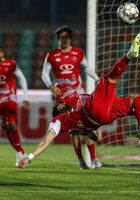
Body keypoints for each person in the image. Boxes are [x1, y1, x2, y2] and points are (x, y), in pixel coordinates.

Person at [19, 33, 140, 168]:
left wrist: (93, 132)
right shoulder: (59, 121)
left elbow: (98, 138)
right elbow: (46, 140)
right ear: (58, 113)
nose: (61, 104)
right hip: (93, 108)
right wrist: (30, 156)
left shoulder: (79, 126)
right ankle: (129, 55)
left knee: (136, 99)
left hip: (105, 116)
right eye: (59, 107)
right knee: (110, 77)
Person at [41, 25, 102, 170]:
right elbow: (44, 73)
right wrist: (50, 85)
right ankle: (81, 160)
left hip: (79, 95)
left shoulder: (78, 53)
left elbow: (86, 68)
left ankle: (93, 159)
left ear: (70, 38)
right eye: (62, 38)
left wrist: (97, 79)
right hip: (62, 98)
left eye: (67, 37)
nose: (65, 40)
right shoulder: (52, 55)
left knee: (86, 125)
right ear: (58, 39)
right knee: (72, 129)